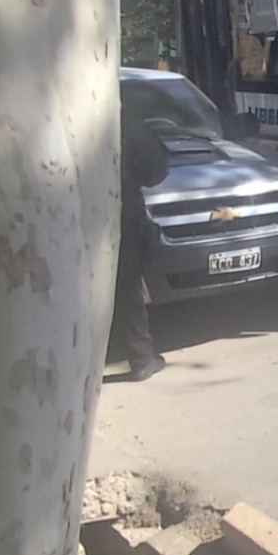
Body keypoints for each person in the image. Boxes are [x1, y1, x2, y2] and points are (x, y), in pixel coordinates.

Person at [116, 97, 171, 381]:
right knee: (128, 282)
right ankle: (141, 357)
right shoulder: (121, 118)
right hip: (119, 210)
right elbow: (157, 167)